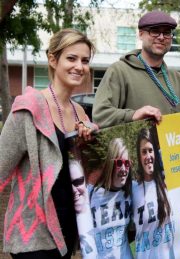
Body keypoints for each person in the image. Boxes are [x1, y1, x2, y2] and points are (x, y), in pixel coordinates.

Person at [0, 28, 98, 259]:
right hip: (32, 232)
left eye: (84, 60)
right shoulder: (29, 108)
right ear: (53, 60)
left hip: (68, 227)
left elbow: (88, 172)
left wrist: (92, 137)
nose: (79, 66)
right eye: (71, 58)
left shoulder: (80, 113)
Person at [132, 128, 175, 259]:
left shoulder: (169, 182)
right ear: (139, 156)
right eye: (144, 152)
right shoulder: (133, 189)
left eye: (150, 150)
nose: (148, 156)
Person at [89, 138, 133, 258]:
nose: (124, 169)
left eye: (127, 163)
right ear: (110, 163)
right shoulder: (90, 194)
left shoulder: (130, 193)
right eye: (119, 163)